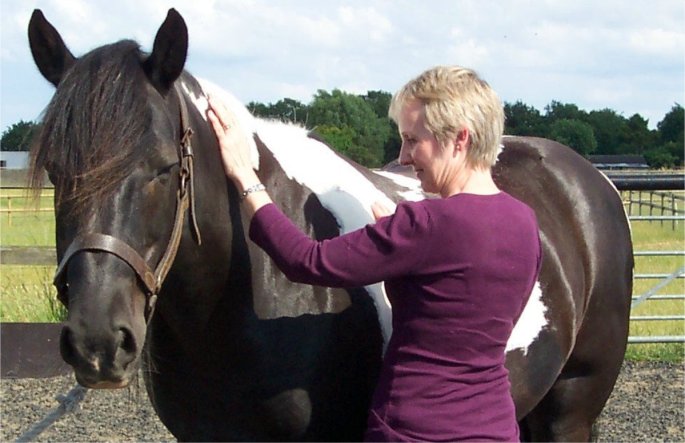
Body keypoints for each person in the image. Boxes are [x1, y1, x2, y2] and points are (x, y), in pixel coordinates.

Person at [207, 65, 541, 442]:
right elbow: (461, 311)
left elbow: (307, 260)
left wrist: (244, 176)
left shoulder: (427, 223)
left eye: (414, 140)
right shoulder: (524, 221)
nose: (403, 155)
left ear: (459, 139)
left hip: (414, 430)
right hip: (494, 427)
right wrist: (406, 250)